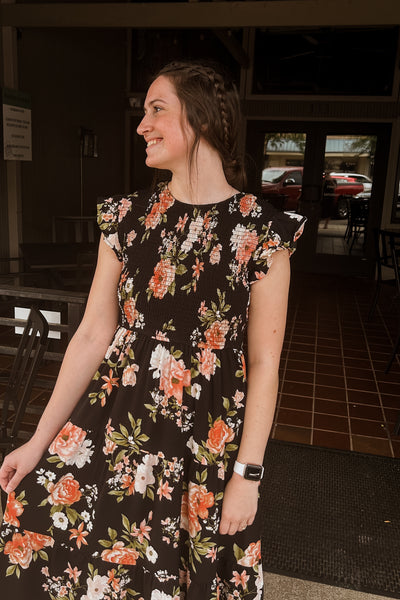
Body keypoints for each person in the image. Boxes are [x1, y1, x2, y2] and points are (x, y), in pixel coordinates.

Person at [0, 61, 306, 599]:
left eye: (156, 108)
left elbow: (263, 364)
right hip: (116, 429)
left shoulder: (261, 231)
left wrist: (248, 475)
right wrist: (37, 440)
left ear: (203, 119)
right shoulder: (127, 218)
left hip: (204, 446)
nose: (142, 124)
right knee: (67, 550)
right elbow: (93, 335)